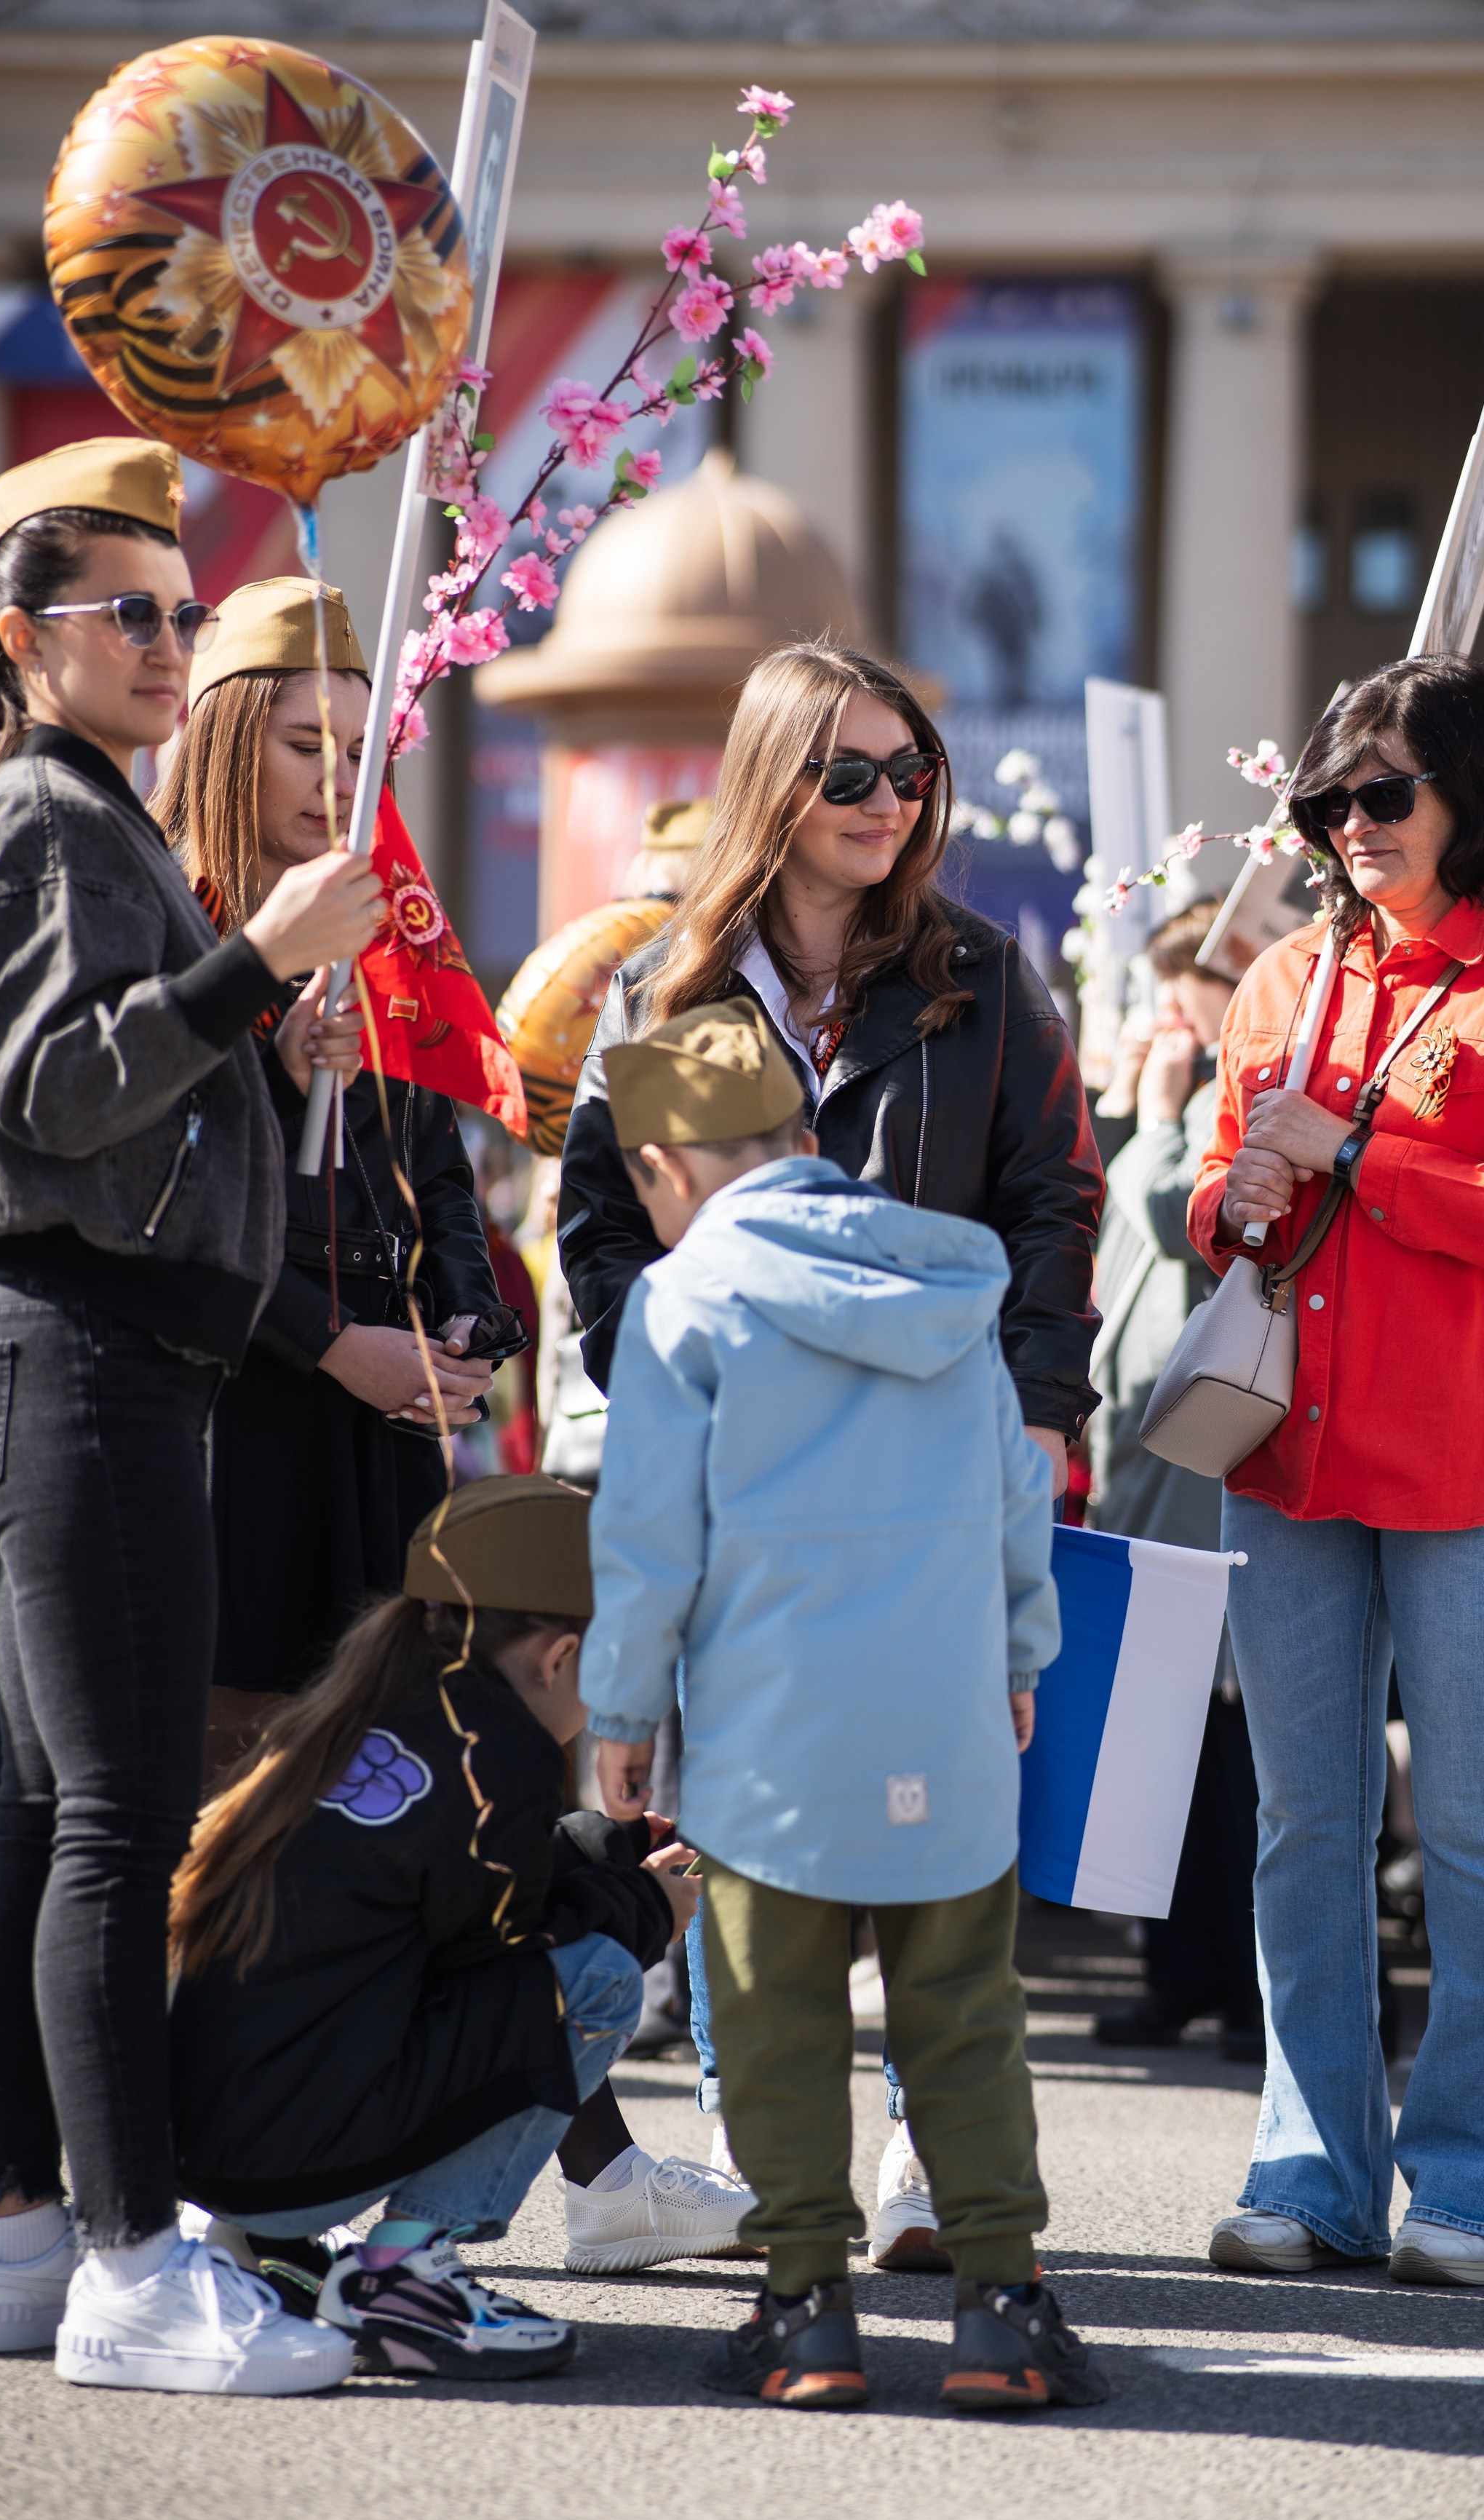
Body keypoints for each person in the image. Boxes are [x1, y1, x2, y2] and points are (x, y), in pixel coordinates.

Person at [0, 436, 380, 2393]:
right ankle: (124, 2264)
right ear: (22, 638)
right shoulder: (47, 814)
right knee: (113, 1824)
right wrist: (253, 962)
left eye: (183, 613)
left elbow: (129, 1101)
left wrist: (266, 1020)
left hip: (84, 1356)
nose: (174, 643)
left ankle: (26, 2230)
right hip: (83, 1356)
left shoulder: (72, 812)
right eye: (134, 614)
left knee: (51, 1819)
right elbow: (55, 1091)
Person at [559, 641, 1103, 2256]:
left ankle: (933, 2159)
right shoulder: (662, 991)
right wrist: (666, 1383)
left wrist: (1038, 1417)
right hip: (744, 1491)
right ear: (774, 784)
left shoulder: (983, 979)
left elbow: (1053, 1207)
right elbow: (598, 1217)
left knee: (941, 1816)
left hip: (938, 1488)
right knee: (743, 1823)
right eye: (851, 772)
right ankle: (762, 2146)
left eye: (910, 769)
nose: (890, 802)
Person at [582, 998, 1108, 2414]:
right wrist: (1020, 1658)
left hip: (767, 1734)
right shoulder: (951, 1283)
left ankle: (807, 2312)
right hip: (945, 1710)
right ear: (807, 1145)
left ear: (666, 1172)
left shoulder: (682, 1300)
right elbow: (1016, 1496)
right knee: (964, 2009)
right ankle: (1002, 2312)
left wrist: (620, 1711)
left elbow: (647, 1535)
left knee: (774, 2010)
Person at [1190, 654, 1484, 2289]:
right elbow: (1233, 1195)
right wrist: (1235, 1194)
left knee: (1477, 1827)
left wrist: (1358, 1152)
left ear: (1472, 795)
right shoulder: (1287, 978)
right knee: (1304, 1820)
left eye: (1386, 794)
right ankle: (1310, 2176)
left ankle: (1472, 2182)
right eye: (1329, 801)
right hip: (1290, 1447)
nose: (1351, 826)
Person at [167, 1476, 694, 2380]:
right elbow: (507, 1958)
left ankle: (270, 2248)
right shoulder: (503, 1756)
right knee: (600, 1977)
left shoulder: (387, 1707)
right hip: (290, 2155)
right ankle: (403, 2272)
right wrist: (649, 1909)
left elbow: (466, 1891)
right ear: (562, 1656)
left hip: (216, 2149)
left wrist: (602, 1849)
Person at [151, 577, 503, 1775]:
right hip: (245, 1396)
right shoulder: (176, 937)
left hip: (386, 1407)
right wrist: (336, 1344)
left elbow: (434, 1160)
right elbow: (173, 1201)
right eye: (307, 745)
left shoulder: (379, 921)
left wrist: (462, 1319)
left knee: (373, 1759)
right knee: (230, 1755)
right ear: (230, 743)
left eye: (361, 748)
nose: (338, 777)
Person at [1084, 898, 1262, 2060]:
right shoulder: (1169, 1093)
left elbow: (1180, 1220)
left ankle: (1246, 1987)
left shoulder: (1232, 1096)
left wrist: (1154, 1116)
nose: (1171, 1026)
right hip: (1143, 1472)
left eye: (1188, 997)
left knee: (1238, 1755)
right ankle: (1177, 1973)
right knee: (1160, 1750)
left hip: (1211, 1471)